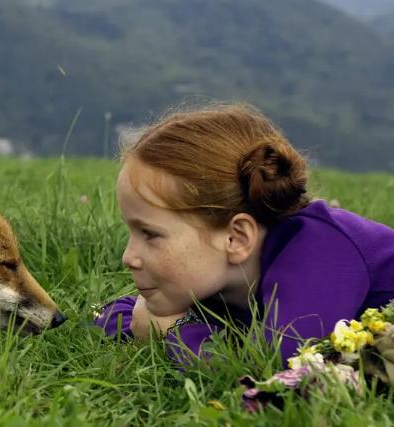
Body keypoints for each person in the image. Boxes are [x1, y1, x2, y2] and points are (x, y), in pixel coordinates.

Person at [94, 103, 394, 363]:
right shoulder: (216, 276)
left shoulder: (318, 252)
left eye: (150, 234)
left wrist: (173, 332)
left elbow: (283, 363)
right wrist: (151, 322)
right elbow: (116, 313)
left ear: (236, 238)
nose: (128, 257)